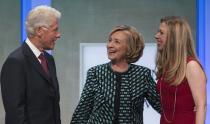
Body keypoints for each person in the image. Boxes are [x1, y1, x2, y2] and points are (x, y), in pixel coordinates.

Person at [71, 25, 160, 124]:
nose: (109, 45)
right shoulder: (95, 73)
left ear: (129, 47)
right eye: (110, 40)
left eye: (116, 42)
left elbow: (162, 106)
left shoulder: (143, 74)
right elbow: (83, 110)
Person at [0, 5, 61, 124]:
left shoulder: (49, 59)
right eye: (55, 30)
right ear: (39, 31)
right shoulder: (16, 62)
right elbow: (15, 113)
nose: (58, 35)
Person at [155, 16, 206, 124]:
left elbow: (201, 106)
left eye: (161, 33)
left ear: (174, 37)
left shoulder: (191, 65)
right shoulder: (166, 66)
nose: (156, 36)